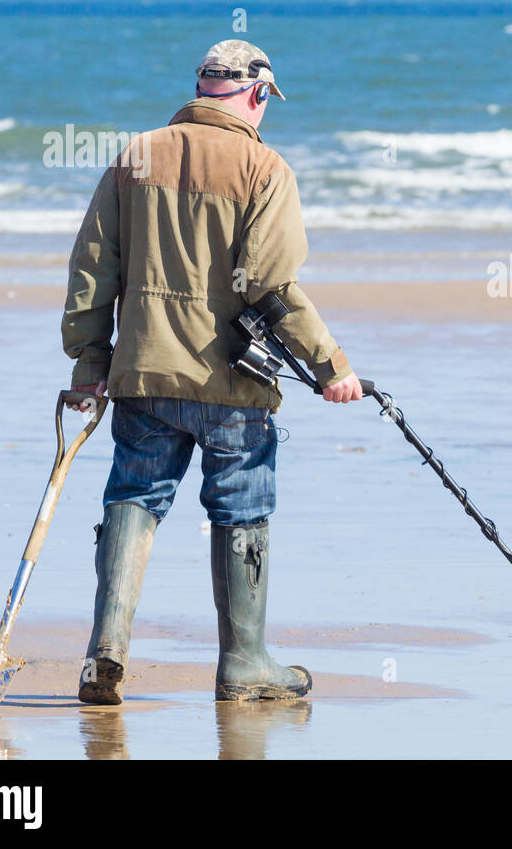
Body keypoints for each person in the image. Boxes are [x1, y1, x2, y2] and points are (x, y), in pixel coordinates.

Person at [62, 40, 361, 705]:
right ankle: (244, 662)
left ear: (200, 90)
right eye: (266, 103)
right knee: (242, 507)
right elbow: (269, 284)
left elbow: (92, 267)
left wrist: (90, 362)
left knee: (133, 499)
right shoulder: (265, 169)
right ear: (256, 96)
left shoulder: (136, 155)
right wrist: (331, 365)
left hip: (143, 373)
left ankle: (104, 653)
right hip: (232, 385)